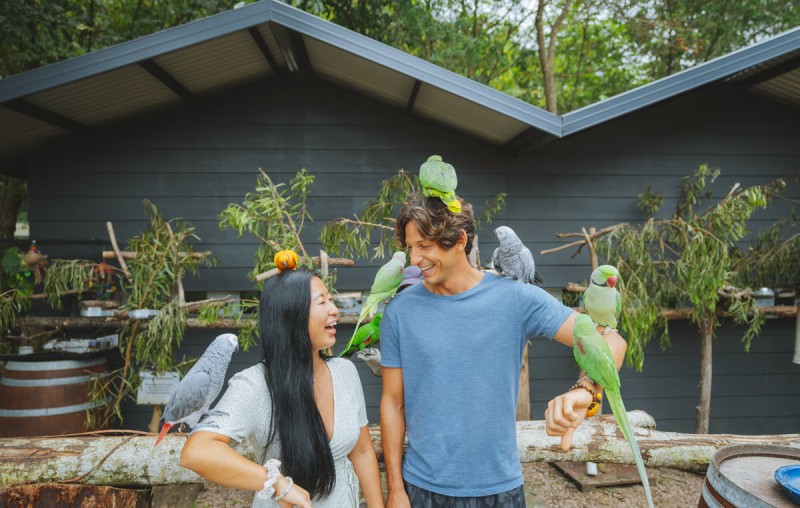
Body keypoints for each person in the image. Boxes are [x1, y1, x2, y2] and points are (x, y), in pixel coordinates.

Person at [379, 194, 627, 507]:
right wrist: (395, 489)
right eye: (410, 247)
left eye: (424, 246)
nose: (414, 259)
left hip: (499, 490)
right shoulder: (399, 311)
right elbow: (393, 402)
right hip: (421, 488)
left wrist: (587, 389)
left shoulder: (515, 298)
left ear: (459, 240)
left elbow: (613, 343)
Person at [181, 268, 384, 508]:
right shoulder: (255, 384)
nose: (335, 310)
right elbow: (196, 452)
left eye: (331, 300)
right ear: (292, 315)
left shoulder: (345, 371)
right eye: (322, 302)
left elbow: (362, 452)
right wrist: (277, 483)